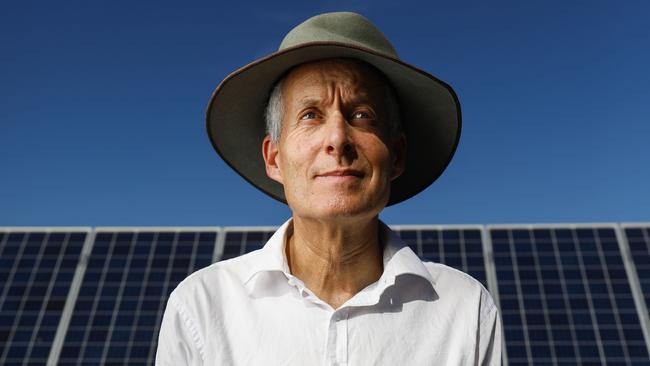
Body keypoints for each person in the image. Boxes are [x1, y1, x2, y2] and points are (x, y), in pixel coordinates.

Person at [156, 12, 501, 365]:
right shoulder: (200, 307)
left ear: (396, 156)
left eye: (362, 115)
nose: (337, 139)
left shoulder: (466, 310)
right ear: (274, 159)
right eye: (310, 115)